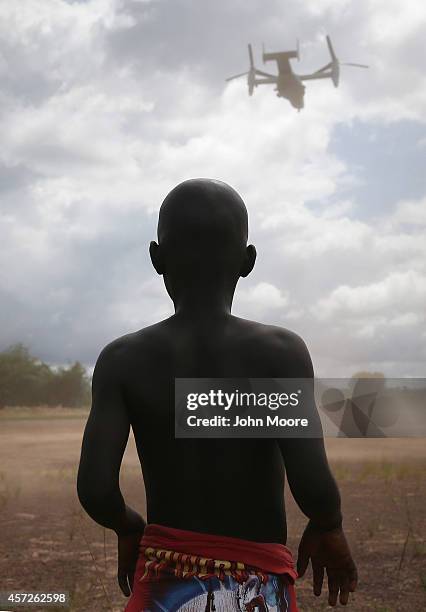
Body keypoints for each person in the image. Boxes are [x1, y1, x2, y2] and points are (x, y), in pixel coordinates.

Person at [77, 178, 357, 611]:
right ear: (248, 261)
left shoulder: (122, 359)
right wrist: (329, 524)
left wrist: (130, 526)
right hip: (255, 591)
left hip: (163, 586)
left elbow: (96, 490)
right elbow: (311, 480)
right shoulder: (278, 354)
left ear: (156, 257)